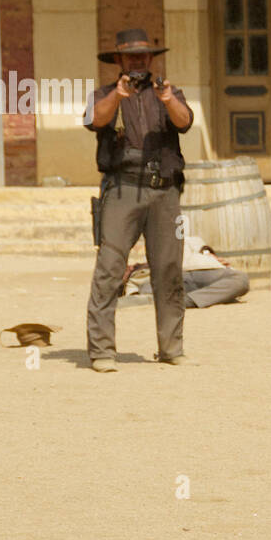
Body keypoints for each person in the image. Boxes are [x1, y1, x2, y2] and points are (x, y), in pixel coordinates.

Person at [83, 28, 194, 372]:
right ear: (118, 60)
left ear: (151, 59)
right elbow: (94, 120)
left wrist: (168, 100)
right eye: (130, 57)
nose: (137, 62)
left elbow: (185, 121)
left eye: (142, 56)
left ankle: (171, 347)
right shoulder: (103, 94)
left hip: (164, 192)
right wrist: (117, 96)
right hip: (122, 190)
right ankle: (102, 352)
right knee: (110, 269)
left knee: (169, 270)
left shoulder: (168, 92)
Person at [120, 234, 251, 310]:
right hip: (169, 283)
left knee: (241, 279)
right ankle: (189, 300)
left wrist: (206, 252)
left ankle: (188, 300)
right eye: (123, 272)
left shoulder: (152, 254)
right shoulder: (134, 283)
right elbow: (134, 299)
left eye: (125, 266)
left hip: (202, 271)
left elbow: (192, 240)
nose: (127, 268)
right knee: (240, 280)